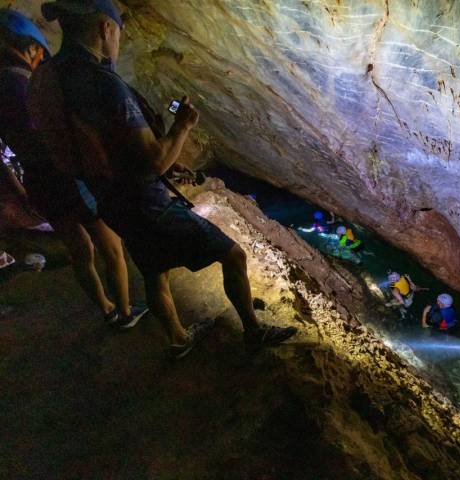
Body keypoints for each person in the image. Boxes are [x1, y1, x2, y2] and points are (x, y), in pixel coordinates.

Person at [30, 0, 296, 358]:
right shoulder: (102, 83)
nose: (118, 40)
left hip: (107, 200)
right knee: (232, 255)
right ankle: (252, 331)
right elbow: (153, 160)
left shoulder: (51, 77)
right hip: (144, 202)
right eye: (118, 32)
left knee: (154, 269)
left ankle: (177, 339)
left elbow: (100, 145)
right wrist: (182, 126)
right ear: (106, 28)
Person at [0, 8, 146, 327]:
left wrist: (20, 189)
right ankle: (124, 313)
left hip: (38, 183)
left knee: (79, 250)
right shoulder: (26, 84)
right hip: (65, 175)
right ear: (30, 48)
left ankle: (107, 309)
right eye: (40, 53)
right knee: (110, 244)